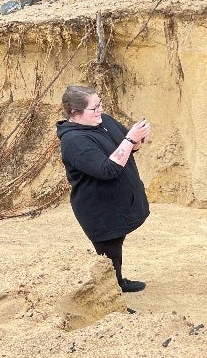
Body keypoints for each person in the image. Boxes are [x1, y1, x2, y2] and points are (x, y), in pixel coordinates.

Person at [57, 85, 152, 293]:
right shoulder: (74, 141)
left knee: (115, 249)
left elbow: (128, 147)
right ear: (75, 113)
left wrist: (136, 138)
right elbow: (107, 169)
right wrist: (129, 139)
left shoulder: (104, 121)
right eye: (94, 108)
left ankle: (118, 282)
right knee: (108, 254)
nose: (99, 110)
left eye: (99, 104)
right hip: (99, 211)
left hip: (115, 205)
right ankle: (110, 298)